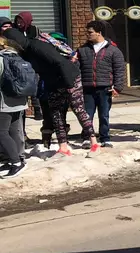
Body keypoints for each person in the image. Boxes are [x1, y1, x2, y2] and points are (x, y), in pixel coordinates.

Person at [3, 27, 97, 155]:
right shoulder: (24, 53)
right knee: (56, 114)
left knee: (78, 109)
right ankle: (63, 146)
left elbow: (60, 62)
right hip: (52, 82)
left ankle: (93, 141)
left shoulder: (36, 46)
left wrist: (69, 85)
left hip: (69, 77)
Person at [77, 20, 126, 147]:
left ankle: (105, 137)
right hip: (87, 87)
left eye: (90, 32)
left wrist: (118, 87)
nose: (87, 35)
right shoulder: (82, 50)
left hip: (105, 88)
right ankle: (87, 137)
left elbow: (119, 69)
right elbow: (77, 69)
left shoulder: (113, 50)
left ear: (99, 33)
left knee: (104, 115)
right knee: (87, 115)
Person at [0, 36, 29, 178]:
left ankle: (16, 163)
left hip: (4, 102)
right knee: (12, 132)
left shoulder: (1, 59)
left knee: (1, 133)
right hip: (19, 101)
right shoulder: (17, 57)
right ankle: (16, 159)